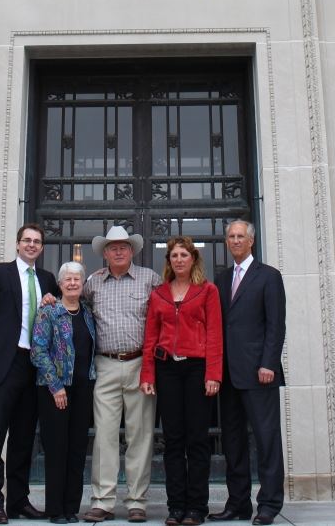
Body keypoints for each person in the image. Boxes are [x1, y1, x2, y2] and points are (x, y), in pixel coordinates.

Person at [0, 223, 58, 525]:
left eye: (37, 241)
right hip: (4, 365)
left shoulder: (47, 279)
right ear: (18, 244)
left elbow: (57, 317)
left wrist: (53, 301)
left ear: (42, 247)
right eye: (27, 240)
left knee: (23, 438)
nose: (32, 245)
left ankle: (19, 501)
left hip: (34, 367)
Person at [140, 237, 223, 526]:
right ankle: (176, 507)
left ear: (193, 259)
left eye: (183, 255)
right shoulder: (159, 294)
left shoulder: (207, 291)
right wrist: (148, 374)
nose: (178, 260)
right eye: (173, 255)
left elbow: (214, 335)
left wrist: (214, 374)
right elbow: (150, 337)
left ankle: (197, 507)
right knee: (173, 441)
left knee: (197, 440)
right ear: (169, 262)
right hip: (167, 371)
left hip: (197, 370)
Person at [208, 220, 286, 526]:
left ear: (251, 241)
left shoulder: (269, 276)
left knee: (266, 440)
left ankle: (268, 503)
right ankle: (238, 503)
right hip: (228, 375)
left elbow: (275, 325)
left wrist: (268, 362)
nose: (235, 240)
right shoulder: (222, 279)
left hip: (259, 373)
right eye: (231, 236)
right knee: (233, 442)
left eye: (241, 236)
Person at [83, 226, 161, 523]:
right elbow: (75, 304)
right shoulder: (93, 283)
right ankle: (102, 501)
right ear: (104, 253)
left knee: (140, 435)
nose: (118, 251)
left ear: (132, 251)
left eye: (124, 246)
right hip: (105, 365)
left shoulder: (149, 280)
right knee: (104, 435)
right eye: (113, 247)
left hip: (141, 363)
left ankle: (137, 502)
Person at [31, 261, 96, 525]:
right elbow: (38, 351)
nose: (72, 283)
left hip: (83, 390)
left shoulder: (88, 313)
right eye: (67, 279)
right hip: (54, 390)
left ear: (82, 285)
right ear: (59, 285)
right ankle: (55, 509)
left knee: (78, 449)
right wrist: (56, 386)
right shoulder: (49, 312)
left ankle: (71, 507)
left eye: (76, 280)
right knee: (57, 450)